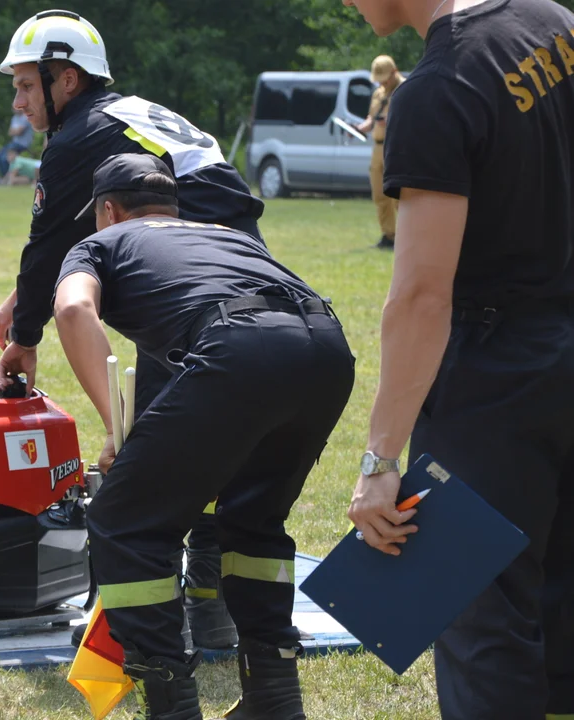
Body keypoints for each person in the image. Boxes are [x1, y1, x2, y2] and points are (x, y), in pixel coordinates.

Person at [39, 153, 354, 720]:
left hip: (239, 347)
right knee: (252, 521)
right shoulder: (221, 233)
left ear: (108, 210)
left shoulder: (102, 243)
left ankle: (172, 707)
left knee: (126, 522)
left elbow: (71, 309)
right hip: (325, 347)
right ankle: (274, 700)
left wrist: (118, 427)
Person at [0, 9, 266, 654]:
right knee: (214, 440)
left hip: (191, 291)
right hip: (247, 271)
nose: (19, 99)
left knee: (158, 443)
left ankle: (154, 606)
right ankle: (212, 599)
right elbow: (73, 234)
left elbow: (48, 243)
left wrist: (24, 334)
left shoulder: (77, 134)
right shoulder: (132, 112)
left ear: (66, 78)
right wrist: (21, 299)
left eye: (27, 84)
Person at [343, 1, 574, 719]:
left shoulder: (436, 87)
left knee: (485, 626)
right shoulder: (551, 20)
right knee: (561, 614)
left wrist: (379, 464)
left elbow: (418, 298)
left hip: (492, 383)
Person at [355, 55, 404, 249]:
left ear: (394, 72)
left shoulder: (406, 89)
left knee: (400, 197)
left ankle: (406, 236)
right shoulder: (378, 93)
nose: (383, 82)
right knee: (379, 194)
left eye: (385, 77)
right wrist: (362, 127)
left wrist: (389, 122)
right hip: (377, 147)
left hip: (397, 147)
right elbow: (372, 118)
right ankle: (388, 235)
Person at [0, 106, 35, 176]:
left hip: (23, 145)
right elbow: (9, 132)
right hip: (14, 143)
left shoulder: (25, 117)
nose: (13, 109)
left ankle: (9, 177)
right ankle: (4, 176)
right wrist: (15, 131)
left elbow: (19, 132)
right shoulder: (14, 118)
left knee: (4, 158)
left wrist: (15, 131)